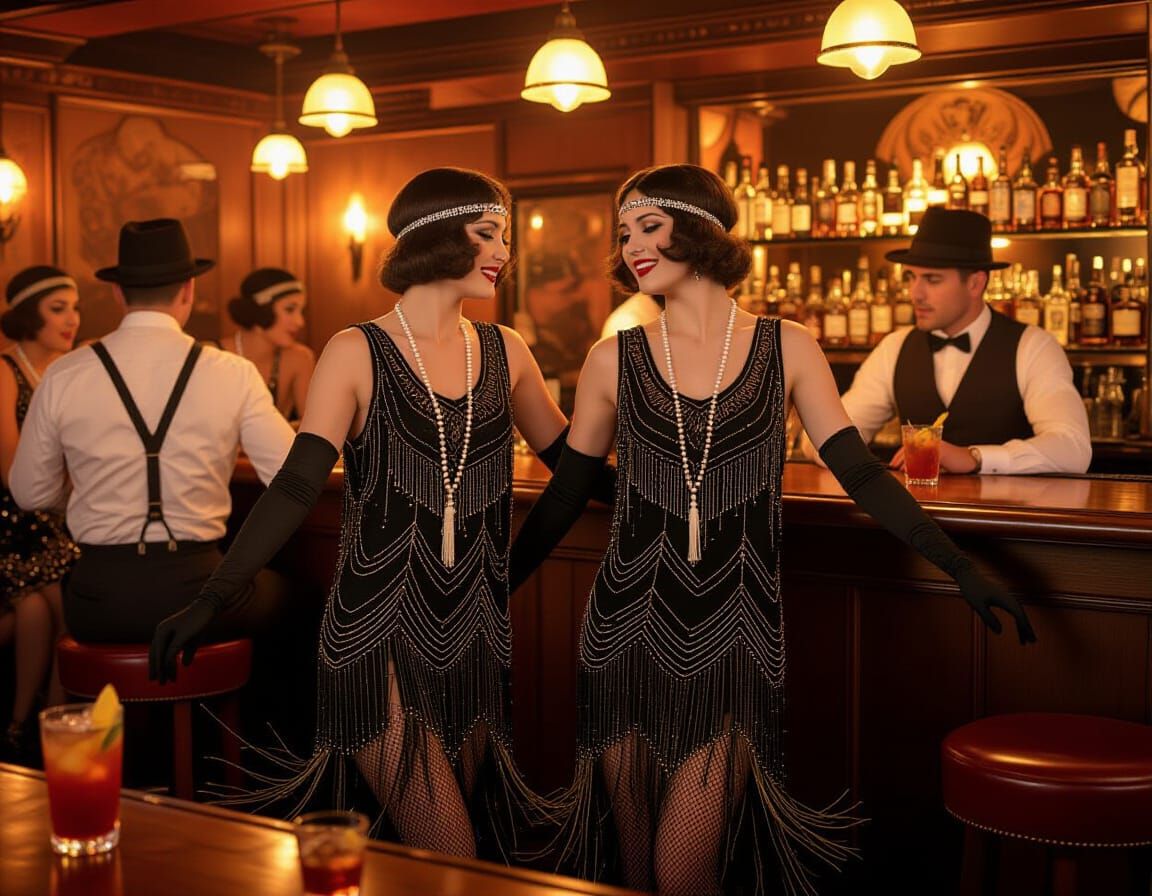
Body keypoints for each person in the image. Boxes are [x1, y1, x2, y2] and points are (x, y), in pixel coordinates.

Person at [507, 164, 1036, 896]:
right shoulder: (612, 358)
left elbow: (859, 471)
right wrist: (491, 587)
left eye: (650, 226)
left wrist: (960, 566)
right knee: (626, 871)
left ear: (702, 230)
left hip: (734, 637)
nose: (632, 246)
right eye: (625, 232)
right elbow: (565, 498)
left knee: (681, 868)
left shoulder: (788, 346)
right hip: (622, 634)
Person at [148, 168, 581, 862]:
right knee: (453, 851)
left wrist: (688, 489)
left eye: (504, 234)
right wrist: (214, 597)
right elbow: (293, 488)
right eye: (488, 233)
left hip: (475, 638)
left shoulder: (508, 350)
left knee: (438, 857)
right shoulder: (355, 350)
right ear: (439, 237)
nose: (504, 250)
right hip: (375, 635)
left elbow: (576, 471)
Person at [9, 219, 295, 648]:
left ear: (119, 293)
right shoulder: (233, 373)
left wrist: (88, 489)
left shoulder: (65, 374)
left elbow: (29, 492)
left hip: (95, 602)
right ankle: (221, 715)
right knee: (294, 597)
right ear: (188, 290)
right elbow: (291, 478)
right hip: (200, 592)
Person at [803, 207, 1091, 475]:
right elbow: (821, 438)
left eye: (932, 279)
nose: (915, 294)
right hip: (914, 522)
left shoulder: (1033, 346)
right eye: (912, 278)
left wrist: (976, 457)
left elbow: (1073, 449)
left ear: (976, 283)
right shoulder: (895, 347)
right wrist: (854, 463)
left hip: (1007, 523)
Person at [0, 266, 81, 759]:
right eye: (58, 309)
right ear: (31, 315)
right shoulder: (5, 371)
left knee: (34, 608)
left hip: (63, 519)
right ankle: (57, 729)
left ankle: (24, 727)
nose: (72, 319)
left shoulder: (76, 366)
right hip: (16, 519)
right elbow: (10, 470)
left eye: (75, 306)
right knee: (66, 605)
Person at [225, 268, 315, 421]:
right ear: (261, 310)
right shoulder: (212, 355)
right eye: (290, 310)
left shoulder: (299, 358)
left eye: (301, 311)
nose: (300, 322)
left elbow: (313, 426)